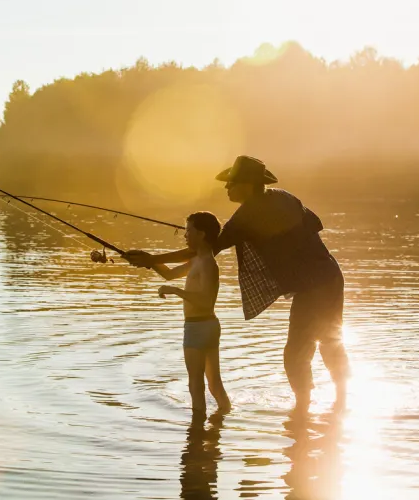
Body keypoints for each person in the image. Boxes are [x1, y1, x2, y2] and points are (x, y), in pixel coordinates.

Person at [126, 156, 349, 414]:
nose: (226, 188)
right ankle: (340, 402)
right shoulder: (283, 197)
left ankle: (302, 410)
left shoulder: (246, 215)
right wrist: (154, 260)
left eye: (231, 183)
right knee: (330, 341)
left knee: (296, 352)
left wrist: (153, 259)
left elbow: (206, 250)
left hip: (314, 286)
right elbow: (315, 224)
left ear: (248, 184)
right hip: (331, 276)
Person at [150, 212, 232, 415]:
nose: (185, 235)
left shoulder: (207, 263)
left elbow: (206, 301)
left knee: (196, 384)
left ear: (202, 234)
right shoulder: (198, 260)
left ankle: (196, 433)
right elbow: (169, 274)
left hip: (198, 327)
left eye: (188, 230)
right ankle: (221, 421)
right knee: (213, 384)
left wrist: (176, 291)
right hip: (207, 326)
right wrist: (147, 260)